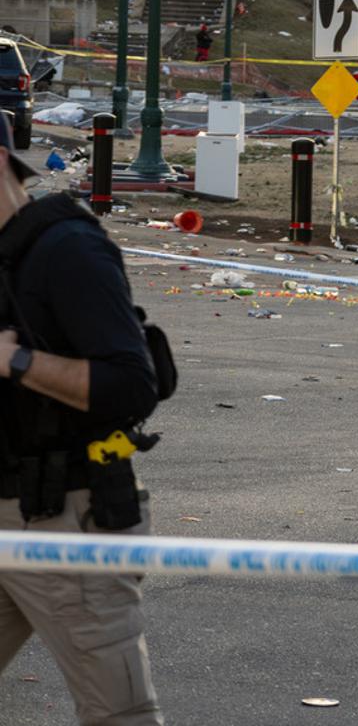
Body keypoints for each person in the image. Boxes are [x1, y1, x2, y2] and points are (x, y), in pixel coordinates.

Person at [0, 111, 165, 724]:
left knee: (117, 715)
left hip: (68, 524)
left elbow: (132, 385)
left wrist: (17, 361)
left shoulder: (68, 249)